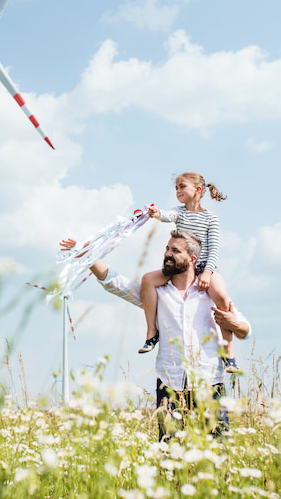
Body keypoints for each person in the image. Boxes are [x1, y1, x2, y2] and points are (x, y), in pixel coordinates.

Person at [60, 230, 252, 439]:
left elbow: (245, 330)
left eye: (175, 251)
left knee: (218, 447)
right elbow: (117, 283)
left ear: (191, 259)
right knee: (168, 450)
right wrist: (88, 257)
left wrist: (234, 324)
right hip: (170, 382)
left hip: (209, 380)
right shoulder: (156, 293)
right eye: (167, 249)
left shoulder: (210, 292)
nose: (168, 254)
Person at [140, 172, 238, 373]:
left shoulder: (211, 218)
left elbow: (214, 247)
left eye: (181, 187)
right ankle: (152, 332)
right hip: (181, 266)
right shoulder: (180, 212)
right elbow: (167, 216)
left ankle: (228, 351)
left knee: (221, 295)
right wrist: (156, 212)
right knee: (148, 280)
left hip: (204, 266)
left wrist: (208, 272)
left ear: (198, 190)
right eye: (176, 188)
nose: (177, 191)